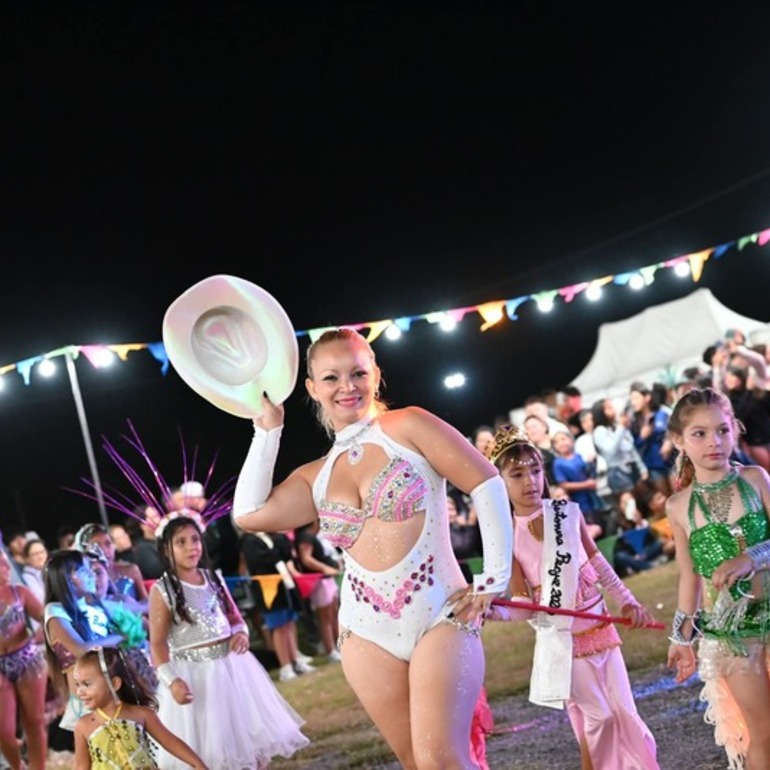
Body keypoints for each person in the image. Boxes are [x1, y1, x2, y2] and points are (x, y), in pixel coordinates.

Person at [232, 327, 513, 768]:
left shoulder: (409, 426)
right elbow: (247, 514)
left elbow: (486, 481)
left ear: (376, 373)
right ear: (311, 388)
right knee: (416, 763)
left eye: (357, 372)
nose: (347, 386)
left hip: (440, 614)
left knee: (441, 760)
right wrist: (268, 432)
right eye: (331, 378)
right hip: (364, 634)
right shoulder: (315, 476)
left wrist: (494, 578)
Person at [484, 424, 660, 770]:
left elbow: (597, 561)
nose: (529, 481)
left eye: (535, 471)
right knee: (599, 718)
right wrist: (491, 612)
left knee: (624, 711)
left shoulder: (568, 513)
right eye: (517, 474)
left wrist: (627, 600)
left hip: (602, 630)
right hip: (563, 642)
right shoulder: (507, 538)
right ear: (499, 483)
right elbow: (521, 607)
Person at [148, 515, 309, 769]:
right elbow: (156, 644)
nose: (192, 547)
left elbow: (234, 616)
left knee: (246, 737)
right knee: (211, 743)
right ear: (166, 550)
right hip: (195, 676)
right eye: (181, 542)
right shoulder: (163, 590)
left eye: (195, 540)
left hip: (232, 669)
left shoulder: (213, 578)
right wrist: (172, 681)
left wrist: (241, 632)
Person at [665, 387, 770, 770]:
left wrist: (752, 557)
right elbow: (688, 578)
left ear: (735, 430)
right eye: (700, 434)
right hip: (732, 637)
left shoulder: (756, 480)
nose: (715, 442)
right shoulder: (678, 506)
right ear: (679, 441)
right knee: (763, 736)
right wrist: (681, 637)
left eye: (723, 430)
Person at [72, 646, 207, 770]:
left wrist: (197, 763)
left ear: (114, 684)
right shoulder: (83, 726)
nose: (79, 692)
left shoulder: (142, 714)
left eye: (86, 684)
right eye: (77, 685)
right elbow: (81, 766)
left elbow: (170, 741)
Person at [43, 549, 125, 733]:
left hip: (113, 692)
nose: (91, 574)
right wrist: (122, 637)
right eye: (83, 570)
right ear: (66, 578)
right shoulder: (55, 611)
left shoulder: (91, 606)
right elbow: (81, 650)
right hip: (87, 703)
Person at [239, 529, 318, 681]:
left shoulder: (275, 537)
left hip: (284, 586)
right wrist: (276, 553)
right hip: (268, 590)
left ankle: (296, 659)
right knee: (279, 627)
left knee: (289, 623)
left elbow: (287, 553)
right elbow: (259, 561)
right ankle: (285, 666)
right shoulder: (249, 541)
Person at [0, 550, 48, 770]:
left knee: (34, 722)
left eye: (6, 563)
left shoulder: (19, 592)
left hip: (27, 660)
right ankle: (18, 766)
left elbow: (47, 620)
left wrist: (34, 636)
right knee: (4, 731)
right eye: (1, 564)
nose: (7, 568)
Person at [293, 519, 343, 665]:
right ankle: (331, 650)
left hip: (327, 580)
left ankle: (338, 645)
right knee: (325, 618)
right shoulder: (305, 537)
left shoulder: (311, 536)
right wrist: (324, 568)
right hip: (319, 581)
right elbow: (306, 559)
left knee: (333, 614)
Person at [74, 522, 149, 613]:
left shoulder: (130, 570)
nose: (105, 550)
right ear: (84, 551)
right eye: (96, 546)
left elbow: (146, 603)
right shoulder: (84, 579)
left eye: (108, 544)